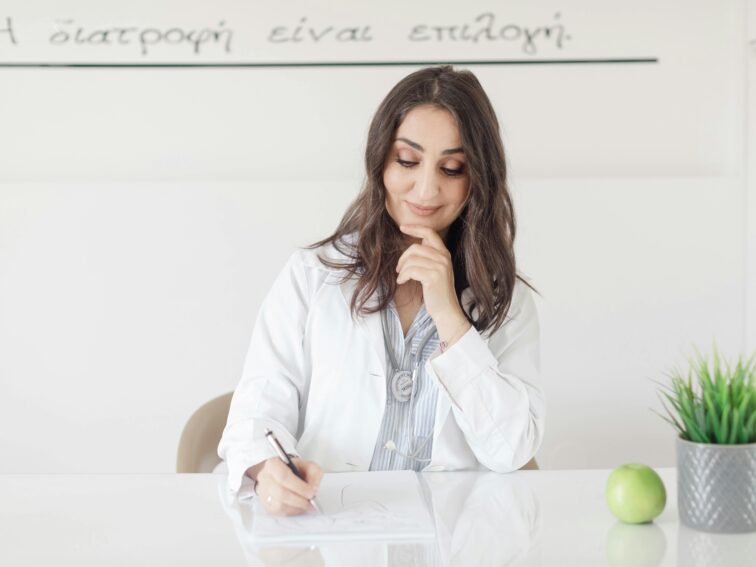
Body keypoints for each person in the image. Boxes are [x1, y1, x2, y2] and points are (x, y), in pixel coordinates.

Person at [218, 65, 544, 517]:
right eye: (407, 161)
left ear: (478, 180)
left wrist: (451, 315)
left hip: (454, 543)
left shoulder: (506, 301)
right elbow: (254, 416)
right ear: (379, 162)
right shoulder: (312, 275)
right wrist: (267, 468)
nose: (426, 188)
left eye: (452, 168)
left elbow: (510, 450)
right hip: (331, 532)